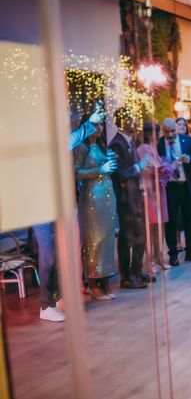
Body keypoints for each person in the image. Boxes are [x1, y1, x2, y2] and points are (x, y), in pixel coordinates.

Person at [34, 105, 105, 321]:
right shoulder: (45, 143)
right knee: (48, 255)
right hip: (41, 205)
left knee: (56, 253)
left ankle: (55, 300)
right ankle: (45, 306)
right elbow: (71, 140)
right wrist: (90, 123)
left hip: (54, 205)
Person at [74, 114, 117, 300]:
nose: (99, 128)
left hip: (107, 197)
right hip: (91, 199)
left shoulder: (101, 146)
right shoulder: (80, 147)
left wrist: (110, 163)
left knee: (107, 240)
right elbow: (75, 173)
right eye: (95, 124)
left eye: (100, 124)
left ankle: (106, 283)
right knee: (94, 241)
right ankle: (93, 285)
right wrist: (100, 170)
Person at [108, 107, 150, 289]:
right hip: (125, 198)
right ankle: (126, 275)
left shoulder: (130, 141)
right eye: (130, 118)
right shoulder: (116, 143)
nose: (134, 121)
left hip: (135, 195)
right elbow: (120, 173)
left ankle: (137, 270)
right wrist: (140, 166)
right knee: (127, 237)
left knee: (141, 235)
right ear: (122, 121)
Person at [157, 118, 191, 266]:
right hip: (170, 187)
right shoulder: (159, 144)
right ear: (162, 131)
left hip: (186, 185)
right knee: (171, 221)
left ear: (177, 129)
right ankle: (173, 254)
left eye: (173, 131)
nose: (170, 134)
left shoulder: (187, 140)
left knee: (189, 219)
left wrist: (188, 158)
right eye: (167, 132)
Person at [137, 122, 171, 273]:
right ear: (151, 134)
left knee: (159, 225)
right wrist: (170, 167)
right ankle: (150, 261)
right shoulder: (144, 149)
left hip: (157, 189)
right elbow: (153, 168)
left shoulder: (152, 148)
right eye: (157, 133)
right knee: (151, 226)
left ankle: (159, 257)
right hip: (150, 189)